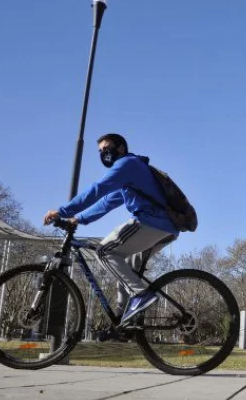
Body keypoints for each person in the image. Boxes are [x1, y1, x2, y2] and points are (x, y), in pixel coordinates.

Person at [43, 133, 179, 327]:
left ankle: (141, 295)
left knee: (104, 251)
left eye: (106, 149)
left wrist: (62, 211)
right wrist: (79, 218)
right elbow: (108, 202)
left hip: (152, 222)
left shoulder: (126, 164)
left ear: (121, 148)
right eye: (100, 152)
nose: (103, 154)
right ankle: (125, 318)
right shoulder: (131, 172)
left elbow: (98, 189)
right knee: (126, 267)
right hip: (166, 228)